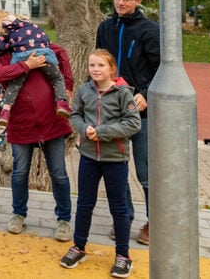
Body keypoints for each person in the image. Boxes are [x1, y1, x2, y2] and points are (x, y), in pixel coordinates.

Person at [0, 9, 74, 243]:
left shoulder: (31, 43)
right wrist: (28, 65)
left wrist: (67, 86)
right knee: (20, 172)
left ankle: (64, 219)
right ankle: (18, 214)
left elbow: (60, 53)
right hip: (21, 121)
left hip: (51, 119)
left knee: (59, 173)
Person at [60, 49, 141, 278]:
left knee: (119, 207)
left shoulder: (123, 93)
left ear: (112, 69)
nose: (95, 69)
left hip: (115, 159)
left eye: (101, 66)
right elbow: (75, 114)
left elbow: (133, 124)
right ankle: (79, 247)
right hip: (88, 157)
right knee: (85, 203)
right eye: (92, 65)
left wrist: (102, 132)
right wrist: (83, 128)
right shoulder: (85, 90)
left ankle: (123, 256)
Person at [95, 0, 159, 246]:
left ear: (137, 1)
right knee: (116, 168)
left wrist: (144, 92)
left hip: (141, 113)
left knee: (145, 171)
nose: (121, 3)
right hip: (112, 110)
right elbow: (99, 63)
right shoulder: (105, 27)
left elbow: (161, 68)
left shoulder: (150, 30)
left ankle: (154, 222)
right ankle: (124, 218)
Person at [0, 10, 70, 126]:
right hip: (42, 53)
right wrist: (28, 65)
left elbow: (60, 51)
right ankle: (61, 102)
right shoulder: (27, 25)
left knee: (14, 85)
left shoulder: (5, 35)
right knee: (57, 78)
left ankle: (5, 110)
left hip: (44, 112)